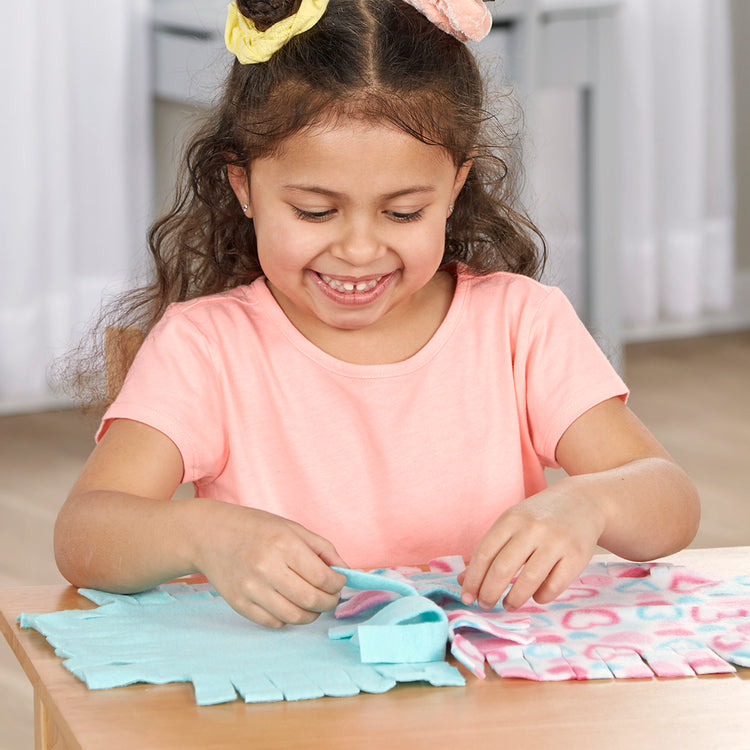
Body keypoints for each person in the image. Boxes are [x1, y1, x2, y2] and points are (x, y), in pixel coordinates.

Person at [54, 0, 700, 629]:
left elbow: (671, 504)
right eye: (315, 211)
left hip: (483, 711)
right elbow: (85, 536)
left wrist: (592, 502)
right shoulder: (205, 347)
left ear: (454, 185)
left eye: (402, 213)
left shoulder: (520, 325)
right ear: (243, 186)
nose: (360, 250)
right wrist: (199, 535)